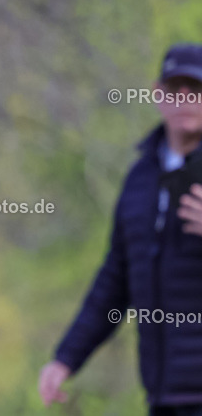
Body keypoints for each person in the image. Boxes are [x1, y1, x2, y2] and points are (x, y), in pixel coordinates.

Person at [39, 43, 202, 415]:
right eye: (175, 90)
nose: (185, 99)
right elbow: (116, 278)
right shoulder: (140, 178)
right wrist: (66, 359)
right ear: (157, 95)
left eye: (196, 90)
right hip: (163, 395)